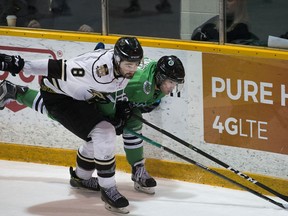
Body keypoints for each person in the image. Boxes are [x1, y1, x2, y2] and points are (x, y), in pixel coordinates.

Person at [0, 54, 185, 196]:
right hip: (85, 92)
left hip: (103, 94)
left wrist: (126, 110)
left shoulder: (156, 83)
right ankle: (18, 93)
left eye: (175, 84)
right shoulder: (138, 82)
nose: (172, 87)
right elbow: (107, 93)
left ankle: (138, 170)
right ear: (160, 77)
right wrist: (113, 117)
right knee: (70, 118)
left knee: (133, 121)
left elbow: (131, 99)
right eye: (171, 83)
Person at [0, 37, 143, 214]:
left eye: (136, 64)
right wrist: (20, 65)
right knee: (104, 133)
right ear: (117, 59)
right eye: (129, 65)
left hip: (81, 94)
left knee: (98, 137)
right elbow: (58, 67)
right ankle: (108, 190)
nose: (133, 69)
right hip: (59, 96)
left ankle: (81, 179)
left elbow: (109, 85)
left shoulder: (121, 68)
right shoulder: (96, 70)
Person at [191, 0, 259, 44]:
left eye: (230, 0)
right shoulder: (216, 20)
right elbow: (195, 36)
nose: (225, 3)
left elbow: (226, 40)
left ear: (239, 3)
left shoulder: (242, 28)